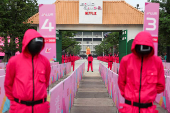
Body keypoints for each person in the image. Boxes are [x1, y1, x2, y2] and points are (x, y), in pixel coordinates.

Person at [4, 29, 51, 113]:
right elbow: (8, 84)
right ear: (27, 42)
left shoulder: (45, 61)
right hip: (20, 108)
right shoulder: (14, 61)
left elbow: (46, 82)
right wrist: (15, 102)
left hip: (41, 108)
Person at [118, 31, 165, 113]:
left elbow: (161, 85)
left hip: (148, 109)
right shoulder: (126, 60)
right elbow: (121, 82)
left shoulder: (157, 62)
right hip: (130, 108)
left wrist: (149, 94)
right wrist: (129, 95)